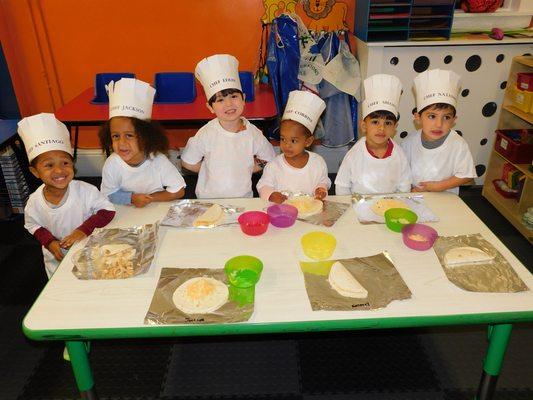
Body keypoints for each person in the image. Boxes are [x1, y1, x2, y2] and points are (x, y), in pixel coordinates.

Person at [19, 113, 115, 278]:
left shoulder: (85, 191)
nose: (59, 170)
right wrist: (49, 242)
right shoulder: (34, 202)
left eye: (65, 163)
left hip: (89, 251)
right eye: (49, 165)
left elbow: (107, 211)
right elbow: (33, 226)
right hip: (56, 257)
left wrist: (82, 230)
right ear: (35, 171)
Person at [181, 54, 276, 198]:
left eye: (234, 96)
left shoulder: (253, 133)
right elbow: (188, 162)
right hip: (208, 199)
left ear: (243, 99)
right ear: (210, 107)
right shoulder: (206, 133)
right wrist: (210, 170)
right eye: (220, 100)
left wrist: (248, 168)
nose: (229, 104)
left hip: (243, 199)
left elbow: (269, 158)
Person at [99, 78, 186, 207]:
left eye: (129, 135)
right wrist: (132, 198)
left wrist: (148, 199)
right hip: (126, 213)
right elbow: (107, 194)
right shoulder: (112, 164)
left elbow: (179, 191)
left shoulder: (158, 160)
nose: (121, 142)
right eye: (116, 136)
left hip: (156, 209)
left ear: (146, 137)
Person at [401, 69, 476, 194]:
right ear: (418, 118)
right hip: (416, 195)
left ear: (454, 120)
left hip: (446, 198)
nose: (439, 124)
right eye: (432, 116)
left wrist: (438, 187)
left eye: (446, 117)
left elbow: (467, 175)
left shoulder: (458, 144)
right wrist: (409, 188)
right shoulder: (409, 142)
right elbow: (402, 170)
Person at [335, 74, 410, 195]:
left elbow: (404, 186)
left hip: (389, 208)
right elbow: (342, 186)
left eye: (388, 123)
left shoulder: (399, 155)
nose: (382, 128)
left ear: (395, 128)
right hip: (358, 207)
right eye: (375, 122)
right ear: (364, 126)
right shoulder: (354, 155)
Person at [257, 90, 330, 203]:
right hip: (282, 214)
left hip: (309, 212)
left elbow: (323, 181)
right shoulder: (274, 166)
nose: (286, 145)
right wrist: (271, 194)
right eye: (283, 139)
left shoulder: (317, 163)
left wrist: (321, 189)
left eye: (293, 141)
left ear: (308, 141)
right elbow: (263, 185)